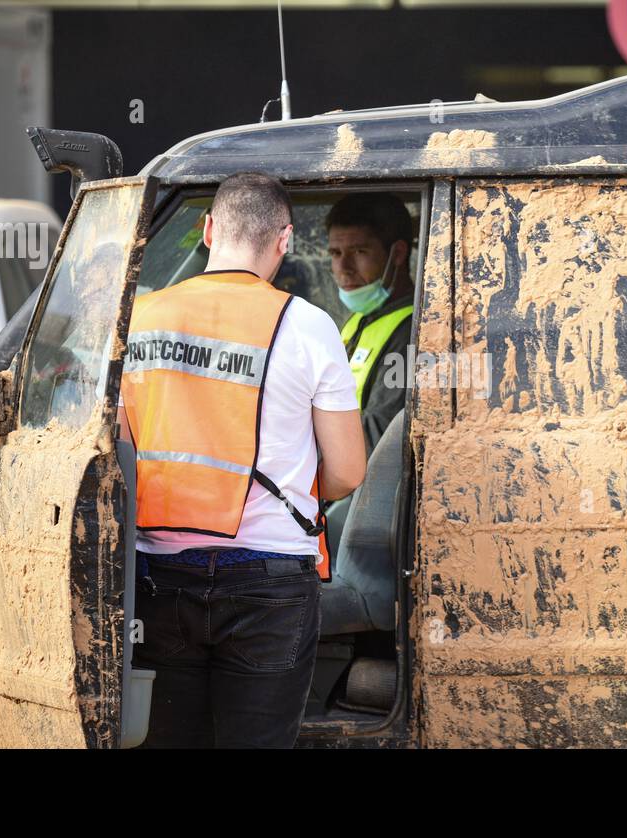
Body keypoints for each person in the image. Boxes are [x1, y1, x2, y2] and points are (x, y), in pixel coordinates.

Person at [118, 172, 366, 748]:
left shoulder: (141, 318)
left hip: (160, 580)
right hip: (271, 584)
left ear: (207, 231)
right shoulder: (307, 326)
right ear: (284, 240)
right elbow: (348, 471)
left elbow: (122, 454)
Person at [326, 194, 415, 457]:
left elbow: (379, 435)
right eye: (335, 253)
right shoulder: (362, 318)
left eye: (359, 252)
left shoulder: (413, 331)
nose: (344, 268)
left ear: (397, 253)